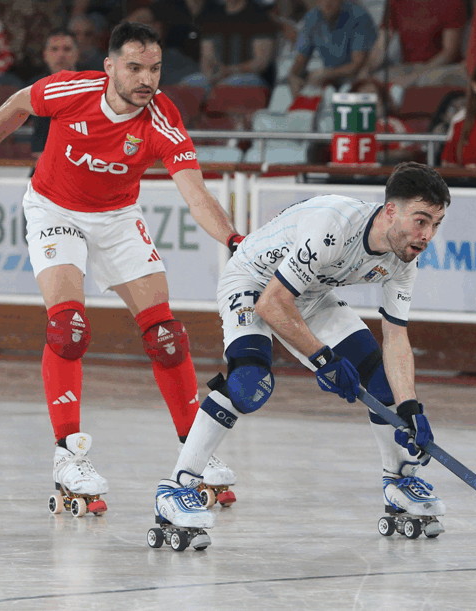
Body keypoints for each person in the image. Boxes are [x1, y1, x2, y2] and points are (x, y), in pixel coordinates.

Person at [0, 21, 243, 516]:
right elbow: (18, 104)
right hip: (54, 209)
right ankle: (68, 456)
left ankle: (196, 454)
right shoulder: (70, 90)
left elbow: (196, 193)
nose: (146, 79)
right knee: (67, 329)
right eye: (134, 68)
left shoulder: (162, 118)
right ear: (109, 67)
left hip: (116, 218)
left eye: (155, 69)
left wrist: (236, 241)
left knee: (167, 336)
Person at [152, 162, 452, 545]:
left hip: (309, 294)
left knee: (384, 383)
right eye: (421, 221)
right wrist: (324, 360)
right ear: (391, 210)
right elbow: (271, 304)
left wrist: (409, 407)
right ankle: (177, 487)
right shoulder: (334, 226)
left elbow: (395, 337)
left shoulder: (404, 257)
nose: (427, 235)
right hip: (253, 282)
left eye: (436, 224)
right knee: (249, 383)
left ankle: (398, 481)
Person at [364, 0, 467, 88]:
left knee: (426, 81)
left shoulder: (452, 0)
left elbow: (449, 52)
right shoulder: (395, 1)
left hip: (443, 69)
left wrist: (416, 76)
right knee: (373, 82)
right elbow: (381, 45)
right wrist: (365, 71)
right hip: (409, 68)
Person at [184, 0, 277, 90]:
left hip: (251, 79)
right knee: (187, 86)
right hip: (218, 77)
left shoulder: (261, 16)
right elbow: (207, 58)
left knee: (226, 87)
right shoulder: (212, 17)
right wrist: (211, 76)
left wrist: (230, 71)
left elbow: (261, 62)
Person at [129, 0, 218, 81]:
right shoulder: (168, 5)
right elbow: (132, 21)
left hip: (207, 67)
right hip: (172, 66)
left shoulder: (217, 8)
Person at [287, 0, 376, 97]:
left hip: (360, 79)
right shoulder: (311, 18)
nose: (327, 0)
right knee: (300, 85)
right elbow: (301, 59)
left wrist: (324, 73)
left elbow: (357, 65)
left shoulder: (359, 17)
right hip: (332, 78)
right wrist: (293, 75)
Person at [30, 29, 80, 160]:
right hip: (42, 162)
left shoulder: (95, 84)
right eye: (54, 49)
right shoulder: (33, 87)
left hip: (84, 161)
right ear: (45, 55)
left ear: (77, 54)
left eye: (67, 49)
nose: (61, 55)